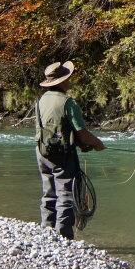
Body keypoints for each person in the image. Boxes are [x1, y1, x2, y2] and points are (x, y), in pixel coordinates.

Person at [34, 61, 104, 239]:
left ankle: (47, 233)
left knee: (49, 193)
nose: (70, 80)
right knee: (66, 195)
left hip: (42, 151)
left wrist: (81, 143)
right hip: (63, 155)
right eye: (67, 78)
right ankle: (64, 237)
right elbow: (82, 132)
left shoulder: (41, 100)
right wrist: (96, 143)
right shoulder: (68, 102)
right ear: (62, 81)